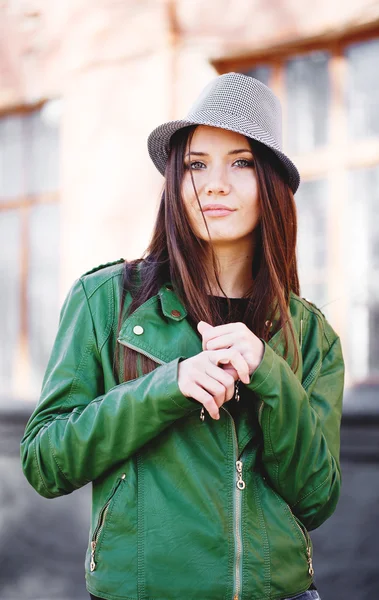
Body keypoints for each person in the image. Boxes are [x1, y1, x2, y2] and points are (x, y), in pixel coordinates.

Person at [21, 72, 344, 600]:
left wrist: (269, 375)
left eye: (240, 162)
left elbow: (317, 499)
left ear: (272, 185)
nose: (214, 183)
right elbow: (44, 461)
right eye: (195, 164)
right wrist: (166, 387)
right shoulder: (106, 301)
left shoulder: (309, 334)